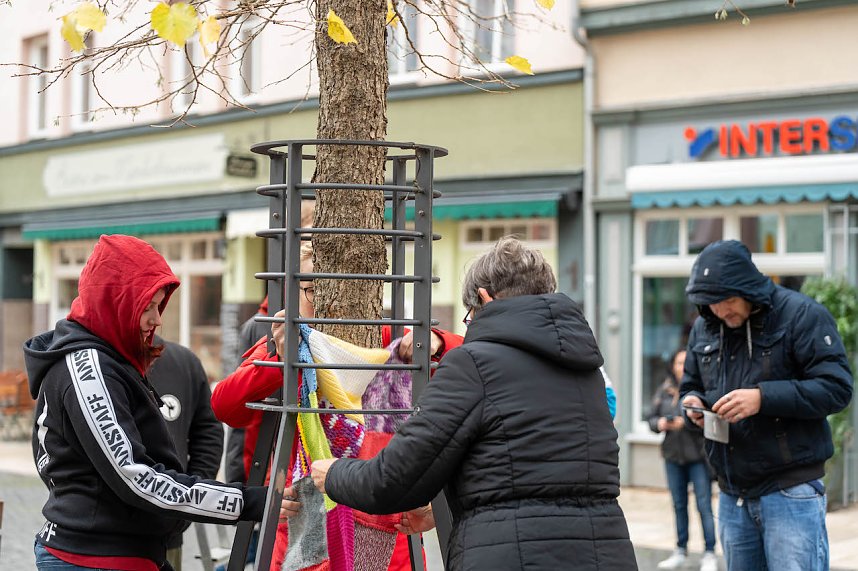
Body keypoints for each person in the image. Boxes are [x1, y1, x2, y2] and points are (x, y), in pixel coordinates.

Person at [310, 236, 637, 570]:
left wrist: (335, 473)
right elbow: (524, 467)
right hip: (606, 553)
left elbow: (395, 478)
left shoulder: (473, 366)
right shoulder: (585, 369)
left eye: (470, 315)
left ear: (484, 297)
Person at [210, 241, 463, 571]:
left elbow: (464, 361)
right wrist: (280, 361)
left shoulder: (383, 337)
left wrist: (436, 343)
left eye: (330, 289)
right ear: (292, 291)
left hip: (382, 523)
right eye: (311, 289)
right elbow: (226, 405)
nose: (323, 301)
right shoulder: (287, 341)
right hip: (303, 524)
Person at [25, 234, 266, 571]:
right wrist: (246, 501)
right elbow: (133, 475)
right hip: (93, 557)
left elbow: (201, 431)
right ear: (117, 301)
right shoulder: (89, 366)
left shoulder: (108, 360)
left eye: (159, 306)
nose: (157, 319)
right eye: (148, 306)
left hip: (120, 550)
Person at [680, 239, 853, 571]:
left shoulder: (802, 315)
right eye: (712, 303)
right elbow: (692, 385)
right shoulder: (705, 326)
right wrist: (693, 405)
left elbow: (837, 389)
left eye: (729, 300)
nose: (721, 310)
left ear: (748, 288)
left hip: (791, 491)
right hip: (732, 494)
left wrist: (762, 398)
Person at [148, 337, 225, 571]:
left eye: (157, 305)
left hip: (166, 536)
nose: (156, 318)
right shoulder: (91, 359)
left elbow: (208, 433)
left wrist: (189, 499)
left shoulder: (182, 361)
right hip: (95, 542)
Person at [647, 349, 716, 571]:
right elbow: (650, 418)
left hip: (697, 457)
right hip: (672, 457)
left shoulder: (699, 388)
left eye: (686, 362)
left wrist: (684, 423)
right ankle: (680, 550)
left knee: (704, 505)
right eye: (678, 362)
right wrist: (660, 424)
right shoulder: (664, 389)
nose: (682, 366)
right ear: (673, 366)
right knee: (678, 505)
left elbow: (710, 419)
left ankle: (709, 553)